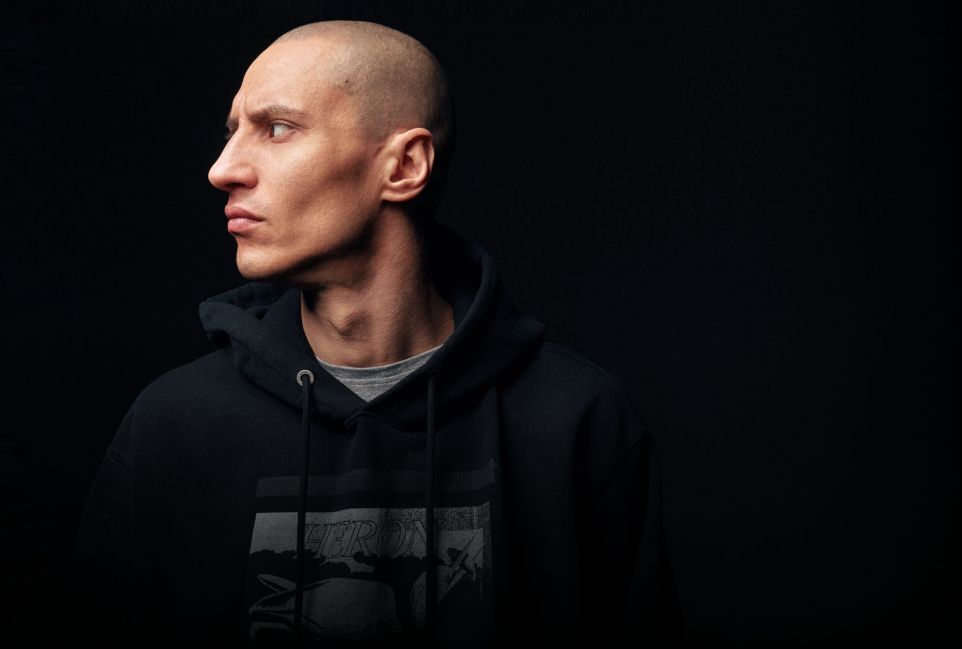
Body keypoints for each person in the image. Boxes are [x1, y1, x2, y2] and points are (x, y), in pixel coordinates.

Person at [72, 20, 677, 648]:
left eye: (277, 128)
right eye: (232, 132)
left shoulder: (575, 420)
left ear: (405, 166)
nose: (222, 170)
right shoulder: (173, 426)